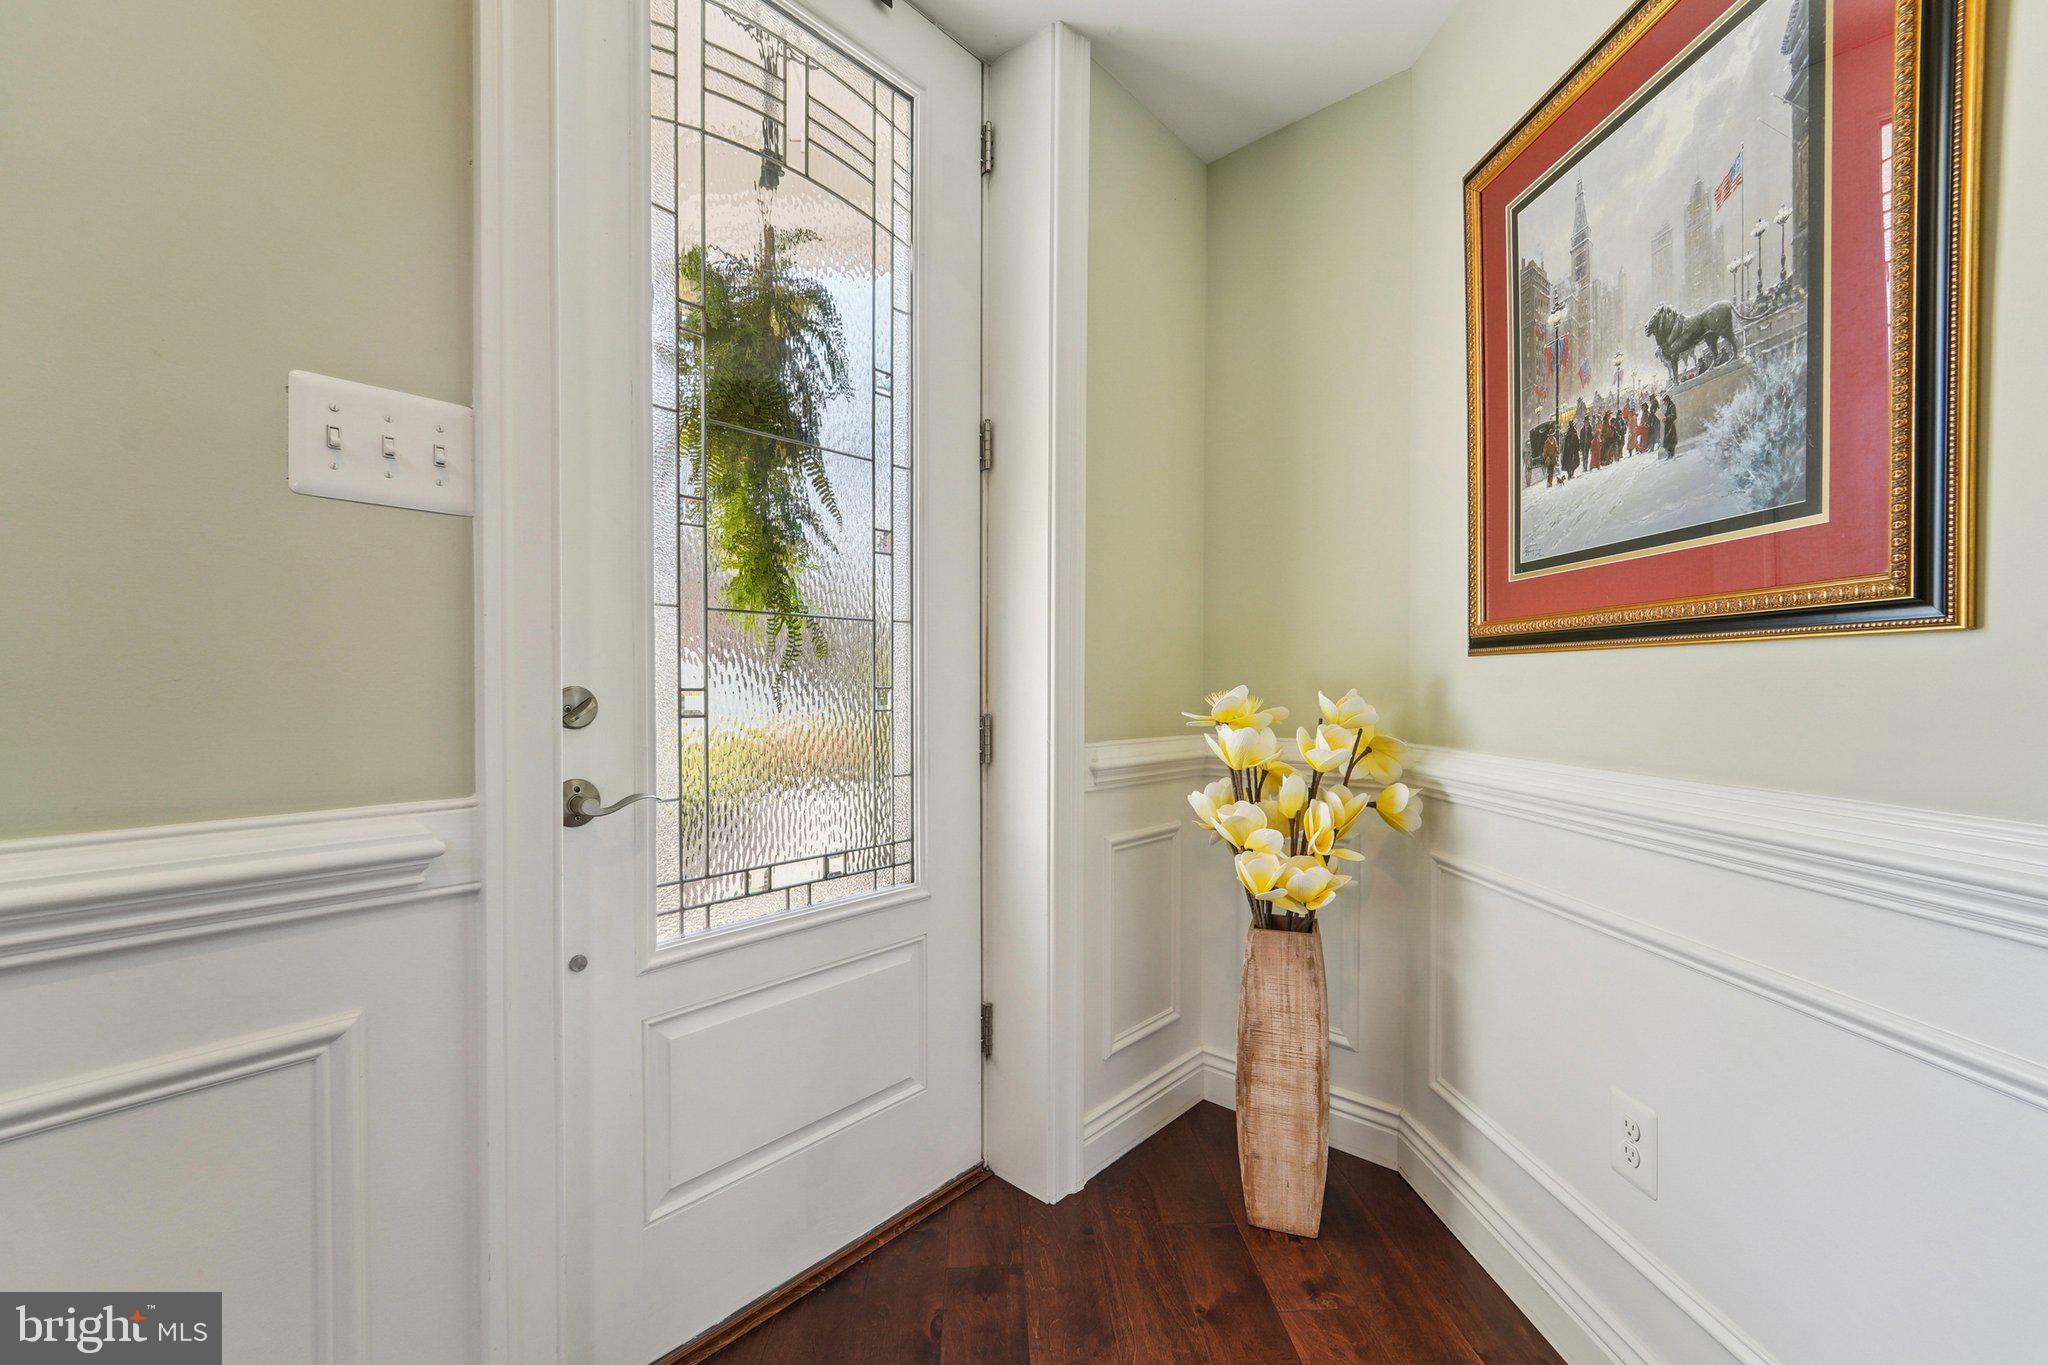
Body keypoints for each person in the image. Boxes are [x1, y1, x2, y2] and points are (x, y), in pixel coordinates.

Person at [1661, 393, 1679, 458]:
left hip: (1671, 426)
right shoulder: (1669, 406)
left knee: (1671, 441)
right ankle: (1669, 454)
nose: (1664, 403)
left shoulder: (1672, 406)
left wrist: (1667, 418)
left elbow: (1674, 416)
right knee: (1668, 441)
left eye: (1665, 401)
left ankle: (1671, 455)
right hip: (1668, 426)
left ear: (1667, 401)